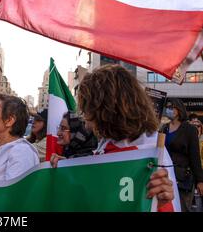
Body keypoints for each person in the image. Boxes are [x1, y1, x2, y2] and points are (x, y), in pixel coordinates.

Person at [51, 64, 177, 211]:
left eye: (87, 110)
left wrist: (163, 203)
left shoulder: (150, 152)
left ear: (105, 110)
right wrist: (72, 170)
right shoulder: (105, 145)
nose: (86, 122)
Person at [160, 99, 203, 212]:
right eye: (167, 107)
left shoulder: (190, 130)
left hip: (182, 178)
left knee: (182, 207)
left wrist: (200, 180)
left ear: (178, 110)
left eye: (171, 107)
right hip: (165, 177)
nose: (168, 110)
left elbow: (195, 157)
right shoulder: (164, 128)